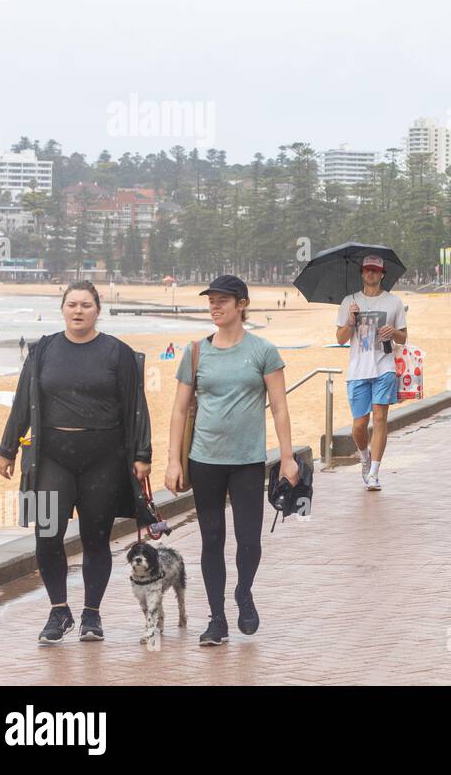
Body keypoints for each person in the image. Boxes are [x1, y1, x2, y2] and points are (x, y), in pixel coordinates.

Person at [0, 281, 155, 644]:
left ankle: (92, 616)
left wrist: (142, 455)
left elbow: (136, 406)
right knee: (46, 535)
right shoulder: (43, 350)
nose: (78, 311)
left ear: (98, 310)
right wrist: (8, 449)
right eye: (72, 305)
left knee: (96, 539)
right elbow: (23, 400)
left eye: (86, 305)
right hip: (51, 458)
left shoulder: (118, 353)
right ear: (63, 309)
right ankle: (58, 611)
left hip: (104, 459)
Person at [166, 275, 298, 646]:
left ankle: (244, 591)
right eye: (212, 301)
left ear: (242, 304)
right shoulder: (195, 352)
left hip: (247, 461)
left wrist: (287, 457)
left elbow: (280, 408)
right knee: (211, 539)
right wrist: (173, 461)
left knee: (249, 540)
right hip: (204, 460)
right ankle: (217, 619)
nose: (215, 306)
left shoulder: (263, 351)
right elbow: (178, 411)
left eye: (223, 300)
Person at [335, 255, 407, 492]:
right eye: (367, 270)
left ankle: (375, 472)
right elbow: (340, 338)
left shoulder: (394, 302)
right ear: (362, 273)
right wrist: (351, 321)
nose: (371, 274)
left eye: (375, 270)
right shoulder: (349, 301)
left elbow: (404, 338)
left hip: (384, 367)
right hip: (357, 370)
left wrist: (393, 331)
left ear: (382, 274)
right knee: (359, 424)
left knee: (379, 419)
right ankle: (364, 456)